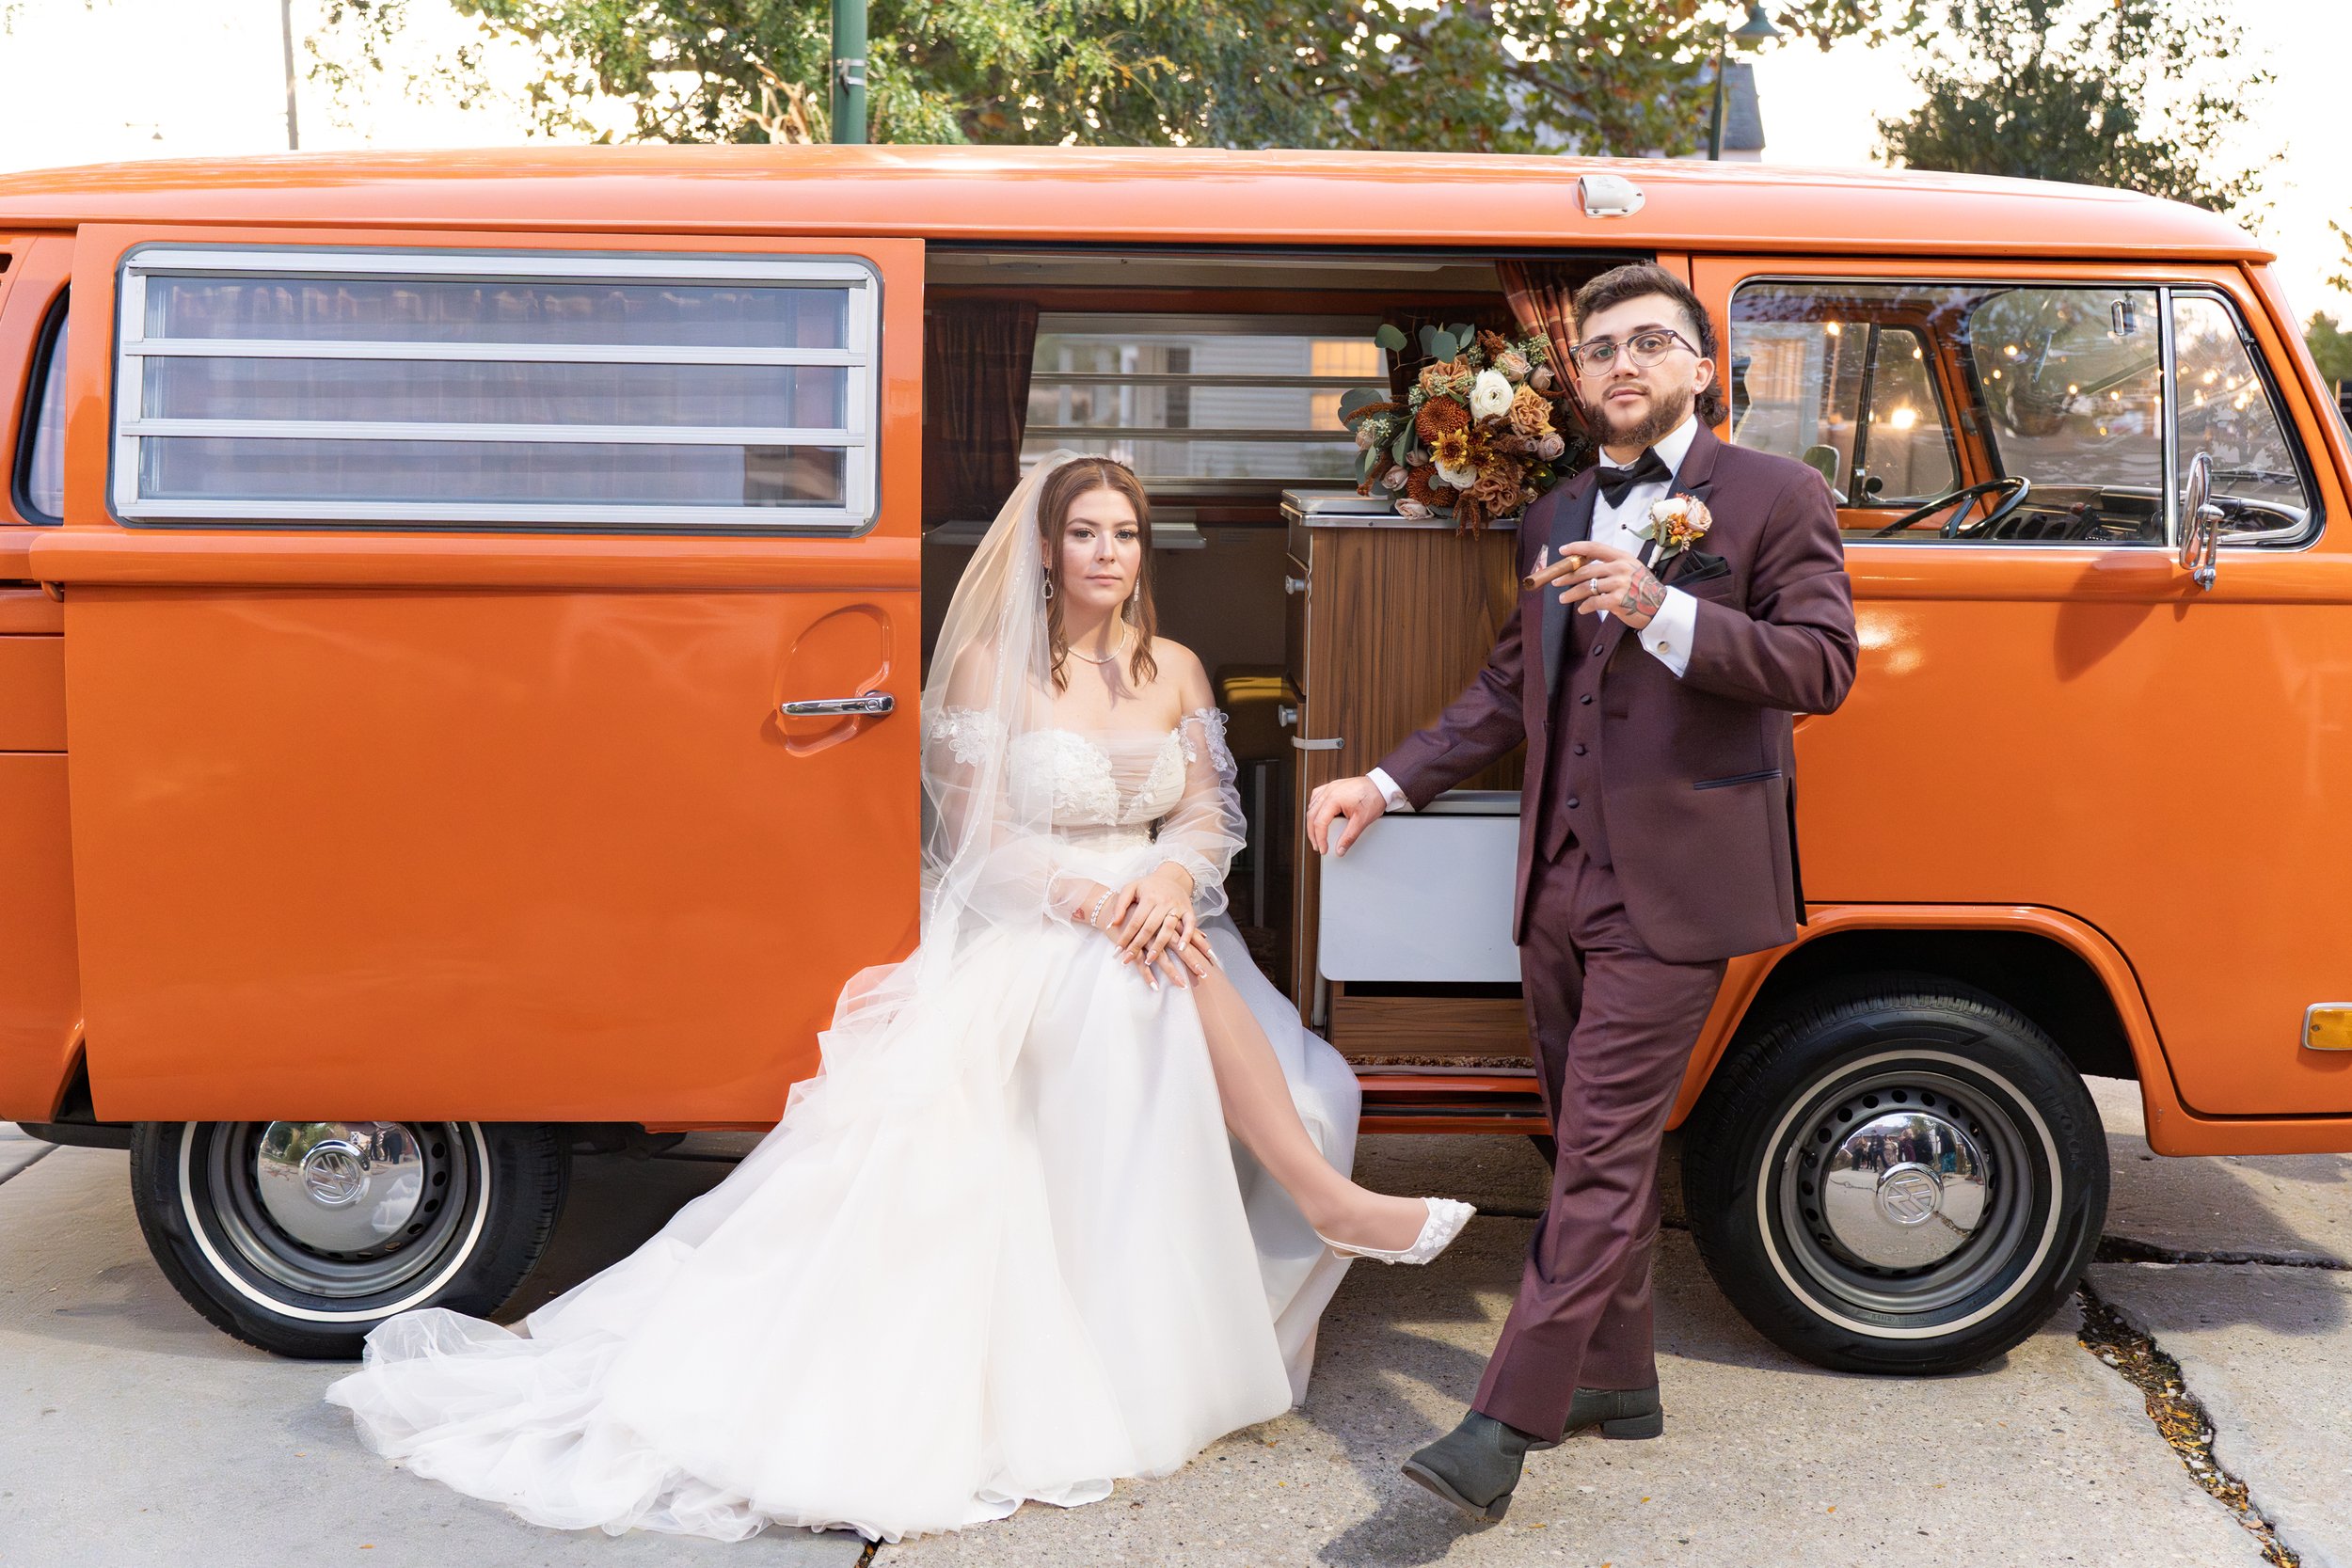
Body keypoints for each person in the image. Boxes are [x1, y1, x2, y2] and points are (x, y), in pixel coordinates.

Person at [326, 451, 1473, 1545]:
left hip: (1164, 907)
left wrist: (1172, 878)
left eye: (1124, 534)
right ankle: (1321, 1203)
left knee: (1273, 1045)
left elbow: (1207, 811)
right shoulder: (986, 667)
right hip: (1042, 916)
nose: (1107, 553)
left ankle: (1286, 1221)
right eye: (1084, 533)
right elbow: (978, 841)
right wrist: (1091, 900)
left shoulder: (1171, 665)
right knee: (1148, 997)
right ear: (1044, 548)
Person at [1308, 262, 1858, 1524]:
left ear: (1701, 366)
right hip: (1556, 884)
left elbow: (1822, 666)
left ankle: (1504, 1422)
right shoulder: (1557, 510)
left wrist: (1663, 607)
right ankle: (1617, 1376)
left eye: (1650, 341)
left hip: (1678, 885)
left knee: (1602, 1151)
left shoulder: (1775, 495)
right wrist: (1385, 782)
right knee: (1587, 1139)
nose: (1622, 362)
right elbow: (1515, 683)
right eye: (1601, 346)